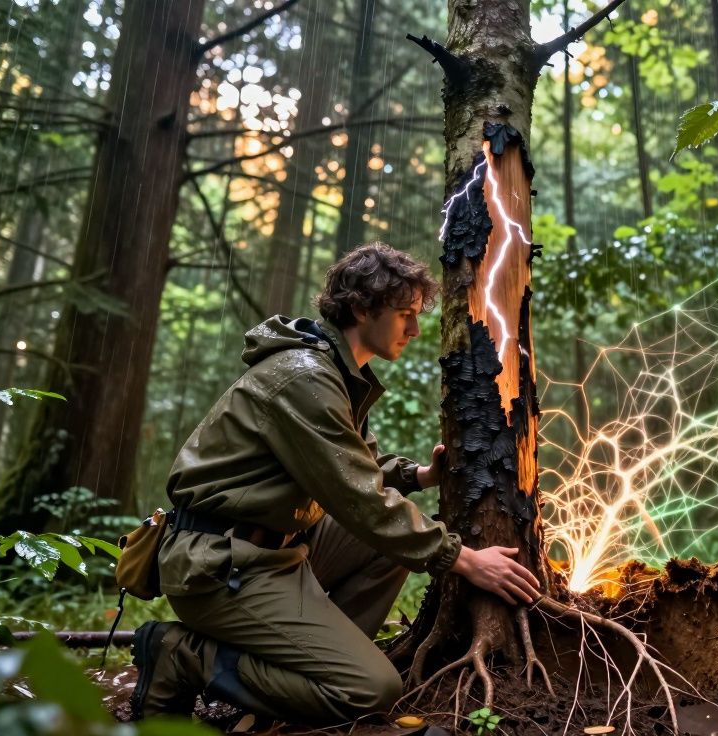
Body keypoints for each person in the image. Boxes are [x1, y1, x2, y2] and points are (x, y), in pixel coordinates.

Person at [130, 243, 540, 725]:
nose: (414, 328)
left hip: (276, 554)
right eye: (405, 314)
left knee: (394, 540)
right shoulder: (303, 377)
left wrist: (416, 475)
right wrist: (464, 560)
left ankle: (309, 662)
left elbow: (353, 463)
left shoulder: (335, 371)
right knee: (371, 689)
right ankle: (183, 656)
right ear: (363, 308)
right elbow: (356, 496)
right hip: (221, 566)